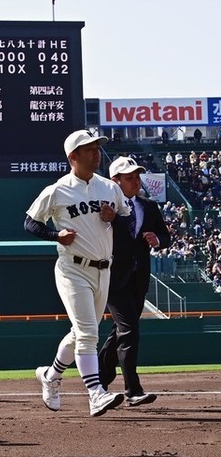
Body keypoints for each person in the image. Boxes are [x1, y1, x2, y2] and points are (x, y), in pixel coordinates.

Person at [25, 129, 129, 420]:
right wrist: (56, 234)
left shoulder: (109, 187)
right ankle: (95, 393)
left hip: (103, 269)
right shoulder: (57, 190)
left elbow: (127, 220)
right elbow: (30, 223)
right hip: (72, 269)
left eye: (97, 148)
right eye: (89, 149)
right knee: (88, 333)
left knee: (80, 333)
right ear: (73, 156)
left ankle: (51, 374)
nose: (96, 153)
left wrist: (114, 218)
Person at [98, 157, 171, 405]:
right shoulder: (105, 207)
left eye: (137, 177)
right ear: (114, 181)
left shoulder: (148, 206)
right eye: (129, 177)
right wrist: (114, 219)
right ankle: (133, 390)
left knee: (119, 331)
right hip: (112, 278)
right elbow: (117, 233)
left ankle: (99, 378)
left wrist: (157, 239)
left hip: (139, 278)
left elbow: (165, 235)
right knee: (129, 330)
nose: (136, 181)